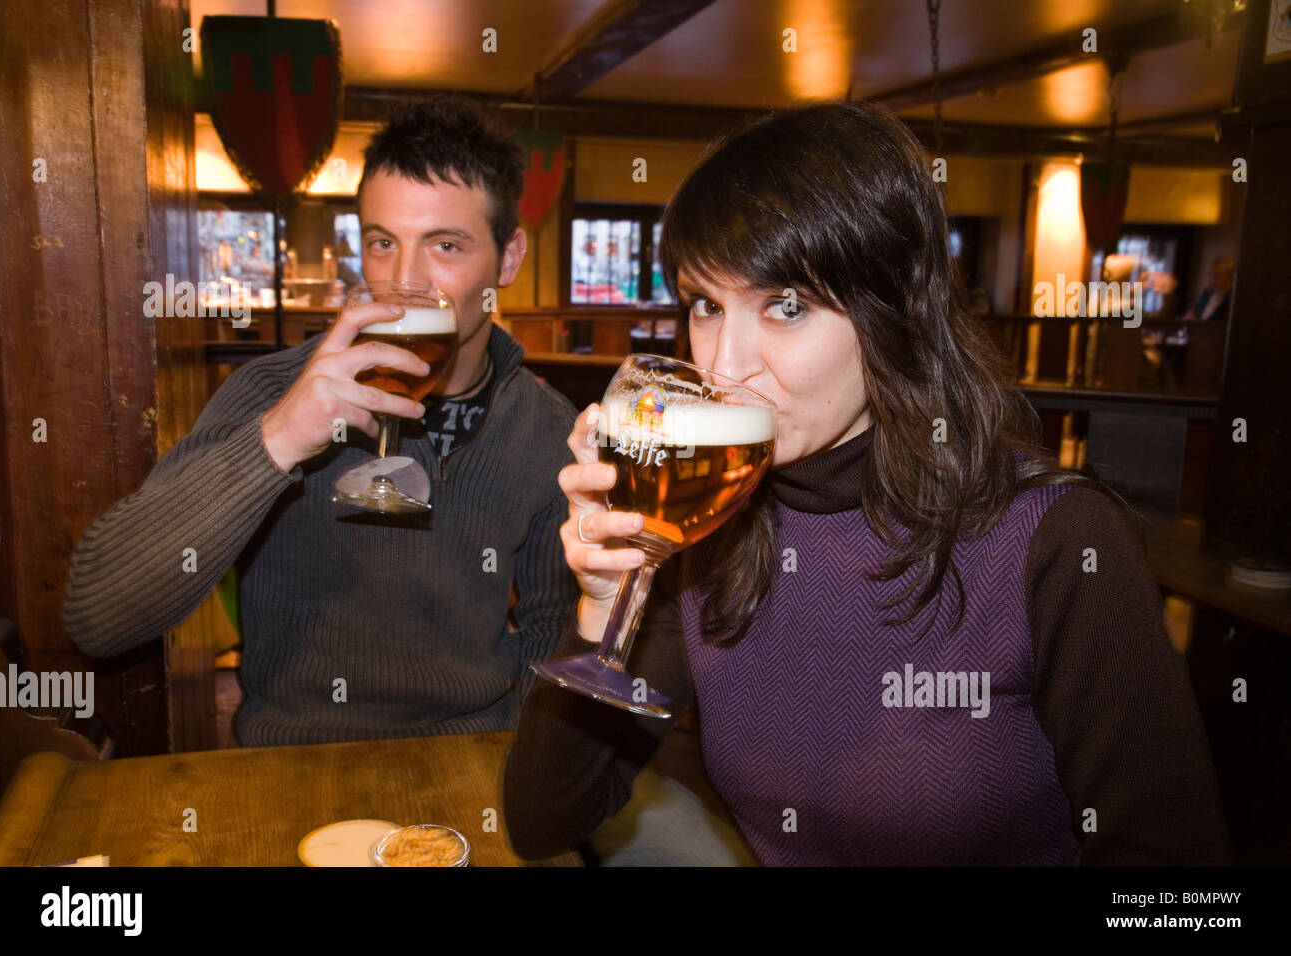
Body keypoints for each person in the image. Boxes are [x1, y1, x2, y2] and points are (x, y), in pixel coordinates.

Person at [503, 100, 1233, 865]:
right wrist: (601, 613)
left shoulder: (1057, 543)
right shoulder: (707, 526)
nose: (722, 367)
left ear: (896, 313)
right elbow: (543, 821)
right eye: (707, 305)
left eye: (786, 305)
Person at [63, 95, 580, 747]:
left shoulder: (545, 427)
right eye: (382, 243)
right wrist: (279, 439)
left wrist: (511, 765)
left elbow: (554, 635)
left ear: (507, 261)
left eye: (445, 245)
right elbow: (98, 618)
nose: (404, 281)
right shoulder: (275, 391)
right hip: (295, 760)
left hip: (468, 756)